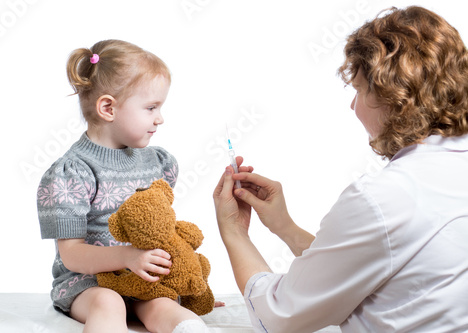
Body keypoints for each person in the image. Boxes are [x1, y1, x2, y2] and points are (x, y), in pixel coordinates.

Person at [213, 6, 468, 333]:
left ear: (394, 96)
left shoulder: (383, 198)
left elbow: (278, 316)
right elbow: (376, 262)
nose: (353, 105)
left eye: (360, 90)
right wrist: (284, 226)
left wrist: (233, 230)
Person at [37, 39, 219, 333]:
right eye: (151, 107)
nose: (160, 119)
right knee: (109, 303)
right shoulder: (71, 172)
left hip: (143, 281)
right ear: (108, 107)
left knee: (165, 306)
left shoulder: (157, 163)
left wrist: (188, 286)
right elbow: (71, 254)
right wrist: (127, 258)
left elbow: (159, 230)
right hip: (88, 283)